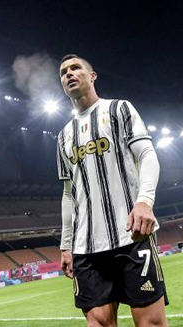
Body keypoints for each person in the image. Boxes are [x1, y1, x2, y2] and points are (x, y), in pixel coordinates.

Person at [57, 54, 169, 327]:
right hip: (86, 248)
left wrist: (145, 201)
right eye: (63, 72)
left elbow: (147, 154)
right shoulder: (63, 136)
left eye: (75, 68)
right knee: (99, 324)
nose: (69, 74)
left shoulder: (119, 109)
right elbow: (69, 193)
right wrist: (66, 245)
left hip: (131, 235)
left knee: (151, 324)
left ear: (92, 76)